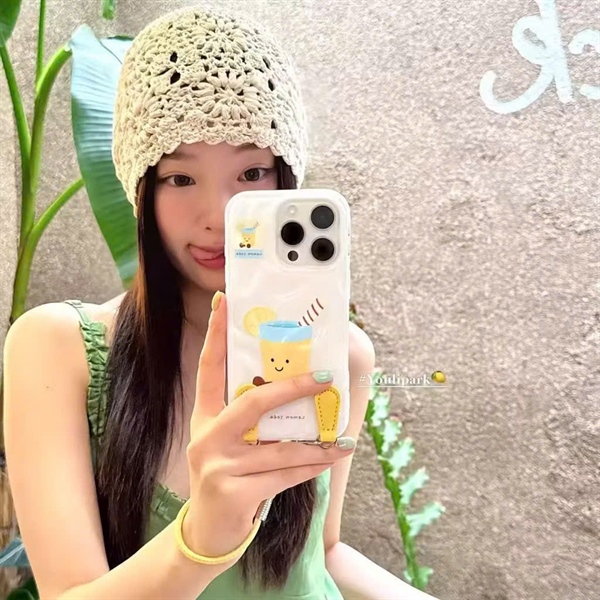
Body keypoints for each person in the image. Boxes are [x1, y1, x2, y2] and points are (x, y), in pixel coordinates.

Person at [3, 4, 438, 599]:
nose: (220, 216)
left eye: (252, 173)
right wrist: (201, 538)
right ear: (141, 189)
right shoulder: (59, 349)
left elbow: (324, 551)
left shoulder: (342, 353)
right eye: (181, 179)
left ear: (285, 180)